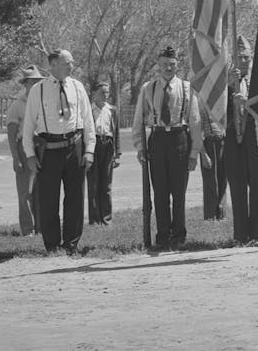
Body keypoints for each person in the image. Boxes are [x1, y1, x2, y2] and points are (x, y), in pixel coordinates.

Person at [22, 49, 96, 254]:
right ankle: (52, 245)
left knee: (75, 199)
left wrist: (90, 150)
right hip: (49, 150)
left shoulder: (77, 87)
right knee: (48, 200)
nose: (71, 66)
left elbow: (88, 121)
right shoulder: (39, 90)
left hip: (75, 147)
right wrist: (29, 154)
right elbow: (28, 125)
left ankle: (71, 244)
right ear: (53, 64)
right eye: (67, 63)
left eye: (71, 63)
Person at [132, 46, 203, 249]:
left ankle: (179, 235)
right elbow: (138, 119)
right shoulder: (149, 88)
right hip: (158, 139)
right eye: (164, 64)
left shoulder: (187, 88)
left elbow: (195, 120)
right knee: (160, 192)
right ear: (158, 65)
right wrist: (139, 146)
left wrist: (194, 153)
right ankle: (163, 236)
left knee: (179, 192)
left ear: (177, 65)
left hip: (180, 138)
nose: (168, 68)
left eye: (172, 64)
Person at [224, 37, 258, 245]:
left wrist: (246, 103)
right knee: (237, 185)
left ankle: (257, 233)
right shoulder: (226, 82)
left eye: (246, 56)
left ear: (251, 58)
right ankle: (240, 234)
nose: (243, 60)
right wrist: (230, 87)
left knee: (257, 184)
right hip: (233, 136)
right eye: (239, 56)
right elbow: (216, 111)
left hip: (255, 133)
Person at [5, 65, 43, 236]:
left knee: (42, 189)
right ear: (25, 84)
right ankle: (28, 229)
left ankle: (42, 227)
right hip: (23, 147)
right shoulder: (17, 105)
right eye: (32, 81)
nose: (35, 84)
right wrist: (16, 158)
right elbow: (12, 134)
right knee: (25, 191)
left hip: (43, 145)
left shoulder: (45, 100)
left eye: (38, 81)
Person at [198, 49, 230, 221]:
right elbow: (197, 129)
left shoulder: (223, 99)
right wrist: (203, 153)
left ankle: (222, 213)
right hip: (209, 142)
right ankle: (210, 215)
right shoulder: (201, 101)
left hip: (223, 141)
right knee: (211, 182)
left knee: (223, 179)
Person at [86, 81, 120, 225]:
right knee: (93, 183)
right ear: (94, 94)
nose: (105, 95)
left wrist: (117, 153)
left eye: (107, 92)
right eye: (102, 92)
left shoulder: (112, 110)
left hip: (108, 144)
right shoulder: (88, 109)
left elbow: (116, 132)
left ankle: (106, 218)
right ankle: (94, 219)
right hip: (94, 145)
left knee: (106, 184)